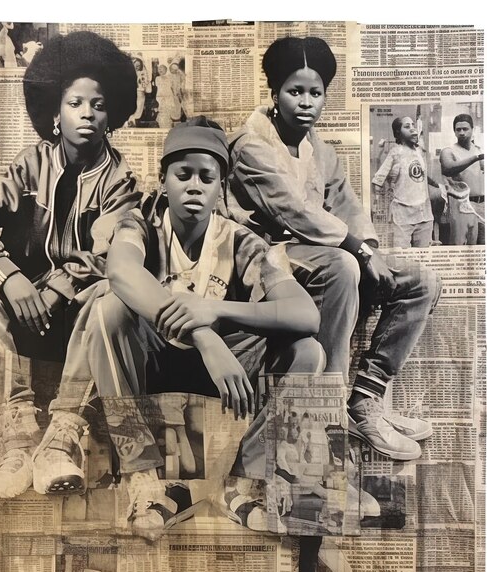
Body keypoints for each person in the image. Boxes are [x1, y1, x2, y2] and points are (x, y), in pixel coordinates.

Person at [48, 116, 325, 541]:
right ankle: (144, 479)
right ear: (163, 180)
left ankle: (245, 482)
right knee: (107, 310)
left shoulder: (240, 240)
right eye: (183, 174)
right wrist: (203, 334)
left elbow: (305, 314)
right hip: (157, 364)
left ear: (221, 187)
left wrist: (214, 311)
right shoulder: (140, 224)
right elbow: (122, 272)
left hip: (228, 376)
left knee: (308, 351)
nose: (194, 185)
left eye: (206, 176)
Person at [0, 31, 140, 499]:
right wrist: (9, 275)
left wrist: (56, 286)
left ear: (111, 117)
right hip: (21, 313)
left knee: (113, 292)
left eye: (99, 105)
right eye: (75, 103)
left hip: (78, 318)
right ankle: (19, 438)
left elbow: (109, 253)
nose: (87, 113)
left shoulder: (121, 181)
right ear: (56, 112)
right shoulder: (29, 166)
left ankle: (61, 437)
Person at [225, 36, 441, 462]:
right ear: (274, 92)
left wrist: (372, 248)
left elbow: (345, 202)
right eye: (295, 91)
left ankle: (364, 399)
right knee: (344, 266)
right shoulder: (249, 144)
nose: (306, 102)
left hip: (321, 252)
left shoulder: (319, 147)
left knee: (420, 282)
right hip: (270, 261)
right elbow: (293, 212)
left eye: (315, 92)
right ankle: (327, 413)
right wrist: (360, 252)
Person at [372, 116, 441, 248]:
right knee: (402, 258)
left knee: (423, 258)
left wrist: (440, 187)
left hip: (424, 216)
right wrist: (377, 205)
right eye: (407, 126)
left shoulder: (420, 152)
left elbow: (422, 176)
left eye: (413, 125)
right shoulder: (395, 152)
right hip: (403, 216)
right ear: (398, 133)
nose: (412, 129)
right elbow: (378, 180)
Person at [439, 114, 485, 246]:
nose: (462, 133)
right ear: (454, 131)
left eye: (465, 129)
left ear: (472, 129)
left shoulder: (479, 150)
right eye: (458, 130)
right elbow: (448, 168)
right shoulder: (449, 151)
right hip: (461, 206)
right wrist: (475, 158)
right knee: (460, 247)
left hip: (482, 204)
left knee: (482, 246)